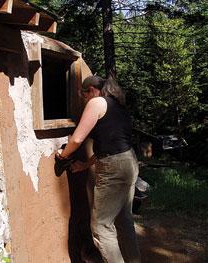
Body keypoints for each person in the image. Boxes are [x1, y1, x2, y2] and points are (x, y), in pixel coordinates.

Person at [56, 75, 141, 263]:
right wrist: (85, 165)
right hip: (128, 162)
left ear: (92, 90)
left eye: (85, 96)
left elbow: (77, 139)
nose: (85, 101)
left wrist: (63, 156)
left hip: (114, 168)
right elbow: (110, 144)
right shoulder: (117, 105)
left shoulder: (97, 103)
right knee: (123, 220)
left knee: (101, 227)